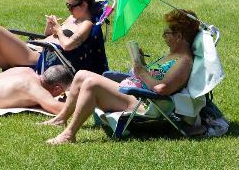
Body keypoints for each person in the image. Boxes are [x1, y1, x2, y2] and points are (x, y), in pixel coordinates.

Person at [43, 9, 199, 144]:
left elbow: (162, 88)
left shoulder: (184, 61)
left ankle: (69, 135)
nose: (164, 35)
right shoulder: (173, 55)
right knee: (81, 74)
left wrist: (141, 72)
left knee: (91, 83)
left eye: (168, 33)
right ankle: (61, 119)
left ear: (179, 36)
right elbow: (157, 77)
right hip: (131, 91)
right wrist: (142, 64)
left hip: (141, 101)